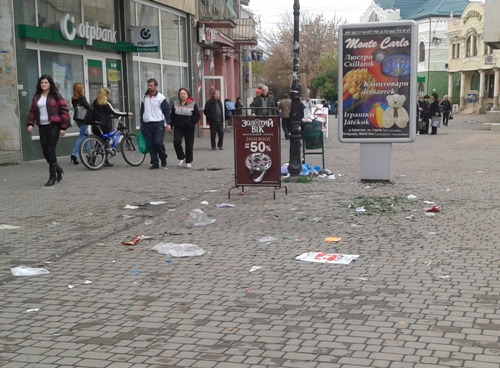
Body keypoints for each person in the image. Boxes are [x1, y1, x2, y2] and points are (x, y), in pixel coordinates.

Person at [26, 75, 70, 186]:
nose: (43, 85)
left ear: (50, 83)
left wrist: (63, 127)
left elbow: (64, 111)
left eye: (45, 82)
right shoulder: (37, 96)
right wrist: (30, 123)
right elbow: (32, 111)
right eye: (42, 83)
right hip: (42, 126)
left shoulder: (56, 96)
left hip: (53, 126)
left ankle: (52, 176)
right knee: (45, 152)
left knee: (50, 149)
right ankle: (58, 168)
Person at [91, 87, 133, 167]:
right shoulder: (106, 102)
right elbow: (114, 112)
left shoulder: (94, 102)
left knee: (99, 143)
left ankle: (92, 159)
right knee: (105, 142)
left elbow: (97, 113)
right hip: (103, 125)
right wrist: (126, 114)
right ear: (106, 94)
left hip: (95, 125)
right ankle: (105, 160)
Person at [140, 78, 171, 169]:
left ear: (156, 87)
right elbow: (142, 111)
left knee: (157, 142)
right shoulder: (144, 97)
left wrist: (168, 123)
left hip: (158, 123)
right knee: (150, 144)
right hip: (147, 123)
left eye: (151, 86)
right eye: (148, 85)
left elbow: (166, 111)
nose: (149, 87)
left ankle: (163, 156)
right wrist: (141, 122)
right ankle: (155, 162)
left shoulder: (161, 97)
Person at [168, 88, 200, 169]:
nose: (182, 95)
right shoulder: (175, 103)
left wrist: (191, 122)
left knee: (189, 144)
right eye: (181, 93)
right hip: (178, 127)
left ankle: (189, 161)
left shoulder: (192, 104)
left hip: (189, 127)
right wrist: (170, 126)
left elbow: (197, 115)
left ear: (187, 95)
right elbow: (172, 116)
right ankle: (182, 157)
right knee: (176, 142)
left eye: (184, 93)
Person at [70, 83, 91, 165]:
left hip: (78, 119)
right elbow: (88, 107)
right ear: (79, 89)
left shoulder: (73, 98)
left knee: (86, 136)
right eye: (82, 88)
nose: (83, 89)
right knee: (82, 136)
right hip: (84, 119)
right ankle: (74, 154)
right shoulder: (82, 98)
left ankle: (88, 154)